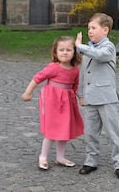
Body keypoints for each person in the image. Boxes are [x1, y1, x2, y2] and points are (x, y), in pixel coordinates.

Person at [75, 13, 119, 179]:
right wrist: (81, 94)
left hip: (106, 98)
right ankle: (91, 161)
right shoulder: (89, 49)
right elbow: (83, 73)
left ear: (105, 30)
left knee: (113, 132)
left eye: (93, 28)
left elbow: (100, 55)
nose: (90, 31)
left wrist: (80, 46)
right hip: (90, 98)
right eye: (89, 28)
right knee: (90, 132)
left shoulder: (108, 47)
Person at [21, 36, 84, 171]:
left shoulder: (75, 70)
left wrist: (79, 98)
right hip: (52, 102)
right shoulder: (53, 68)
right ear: (55, 52)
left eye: (68, 49)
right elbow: (37, 79)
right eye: (61, 50)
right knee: (52, 130)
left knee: (64, 129)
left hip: (67, 102)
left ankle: (60, 157)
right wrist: (28, 92)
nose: (65, 52)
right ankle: (43, 156)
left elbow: (75, 86)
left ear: (74, 52)